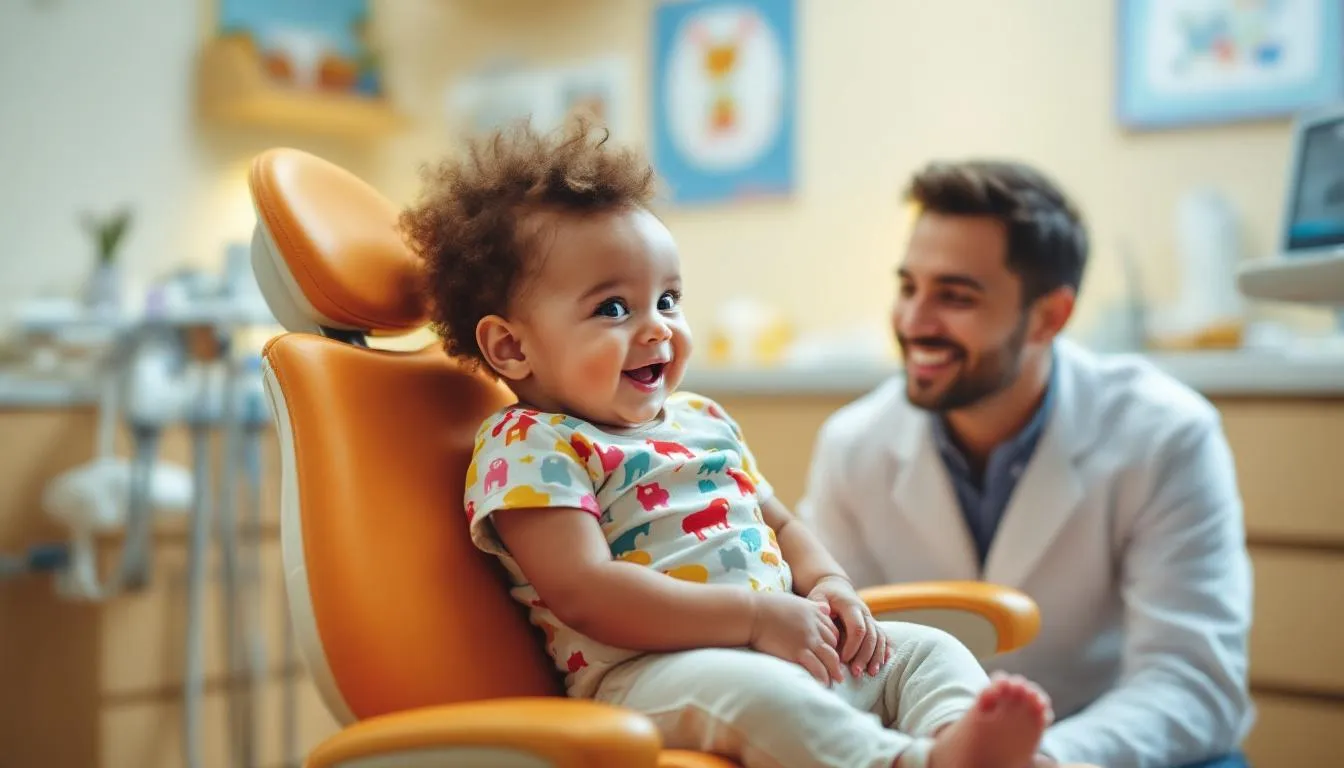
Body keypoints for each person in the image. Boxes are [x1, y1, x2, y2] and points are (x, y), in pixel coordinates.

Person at [400, 120, 1067, 768]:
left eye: (668, 299)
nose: (658, 329)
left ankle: (960, 742)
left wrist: (828, 583)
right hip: (653, 678)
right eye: (612, 308)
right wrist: (752, 617)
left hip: (780, 646)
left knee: (923, 649)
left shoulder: (700, 418)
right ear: (511, 346)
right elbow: (585, 592)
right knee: (761, 697)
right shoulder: (529, 444)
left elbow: (778, 522)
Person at [796, 159, 1255, 768]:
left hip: (1103, 750)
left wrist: (1043, 760)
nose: (913, 322)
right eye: (909, 287)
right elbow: (825, 658)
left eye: (954, 296)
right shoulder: (854, 445)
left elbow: (1193, 682)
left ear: (1048, 317)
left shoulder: (1166, 435)